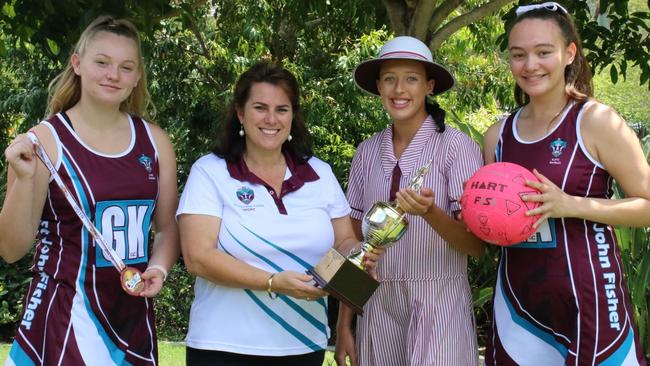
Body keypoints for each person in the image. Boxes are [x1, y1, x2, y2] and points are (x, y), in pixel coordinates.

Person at [0, 16, 179, 365]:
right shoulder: (44, 142)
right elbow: (11, 248)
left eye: (126, 67)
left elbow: (168, 227)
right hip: (63, 317)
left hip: (132, 320)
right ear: (77, 63)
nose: (113, 74)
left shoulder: (155, 141)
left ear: (137, 76)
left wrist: (159, 268)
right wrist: (22, 180)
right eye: (102, 62)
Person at [176, 61, 378, 366]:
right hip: (223, 347)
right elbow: (197, 257)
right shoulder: (210, 171)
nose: (271, 119)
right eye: (260, 107)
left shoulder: (319, 174)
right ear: (241, 114)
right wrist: (272, 282)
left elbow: (344, 241)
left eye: (282, 109)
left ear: (293, 116)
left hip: (302, 345)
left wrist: (360, 253)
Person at [482, 2, 649, 365]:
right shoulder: (497, 136)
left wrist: (571, 205)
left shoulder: (597, 121)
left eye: (544, 52)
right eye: (518, 55)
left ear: (569, 53)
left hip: (589, 300)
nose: (530, 65)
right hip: (517, 306)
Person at [335, 36, 486, 366]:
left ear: (429, 86)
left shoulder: (456, 148)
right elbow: (355, 245)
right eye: (389, 78)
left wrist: (430, 212)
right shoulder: (367, 152)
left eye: (411, 79)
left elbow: (476, 246)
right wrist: (344, 324)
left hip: (438, 300)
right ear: (378, 86)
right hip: (378, 305)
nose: (399, 89)